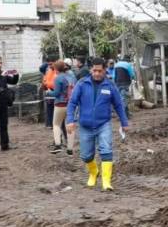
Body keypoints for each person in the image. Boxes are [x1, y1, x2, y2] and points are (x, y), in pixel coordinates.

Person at [66, 58, 128, 190]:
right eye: (94, 70)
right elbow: (72, 103)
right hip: (85, 125)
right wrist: (70, 120)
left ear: (105, 70)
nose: (97, 73)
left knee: (106, 150)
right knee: (86, 155)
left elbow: (118, 105)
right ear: (90, 70)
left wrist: (124, 122)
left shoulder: (110, 86)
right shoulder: (82, 84)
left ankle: (106, 182)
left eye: (100, 71)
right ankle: (94, 172)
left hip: (103, 124)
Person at [50, 59, 75, 154]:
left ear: (56, 69)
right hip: (70, 104)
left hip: (60, 104)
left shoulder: (58, 78)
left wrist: (48, 92)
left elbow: (56, 93)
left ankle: (58, 145)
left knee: (56, 124)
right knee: (69, 125)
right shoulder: (71, 77)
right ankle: (70, 149)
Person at [41, 56, 58, 131]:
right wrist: (44, 84)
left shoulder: (58, 71)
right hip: (48, 91)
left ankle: (56, 124)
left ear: (55, 62)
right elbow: (45, 79)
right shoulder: (48, 70)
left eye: (51, 64)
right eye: (49, 64)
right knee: (49, 108)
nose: (50, 66)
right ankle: (49, 124)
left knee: (56, 108)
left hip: (55, 91)